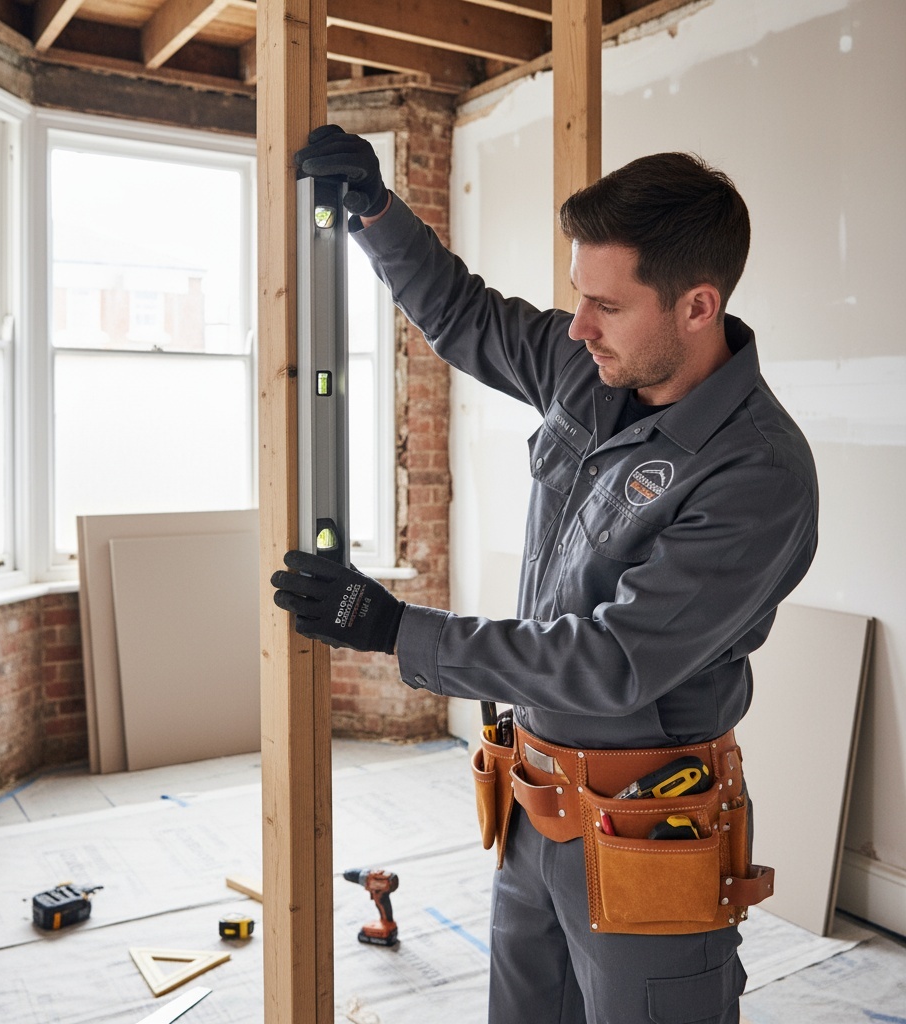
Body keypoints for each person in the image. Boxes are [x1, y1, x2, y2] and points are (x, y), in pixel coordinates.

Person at [271, 125, 818, 1024]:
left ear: (697, 306)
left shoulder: (756, 473)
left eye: (606, 303)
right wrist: (376, 212)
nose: (578, 325)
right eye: (577, 296)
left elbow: (609, 661)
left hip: (648, 832)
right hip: (535, 809)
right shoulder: (591, 372)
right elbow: (467, 316)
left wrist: (396, 630)